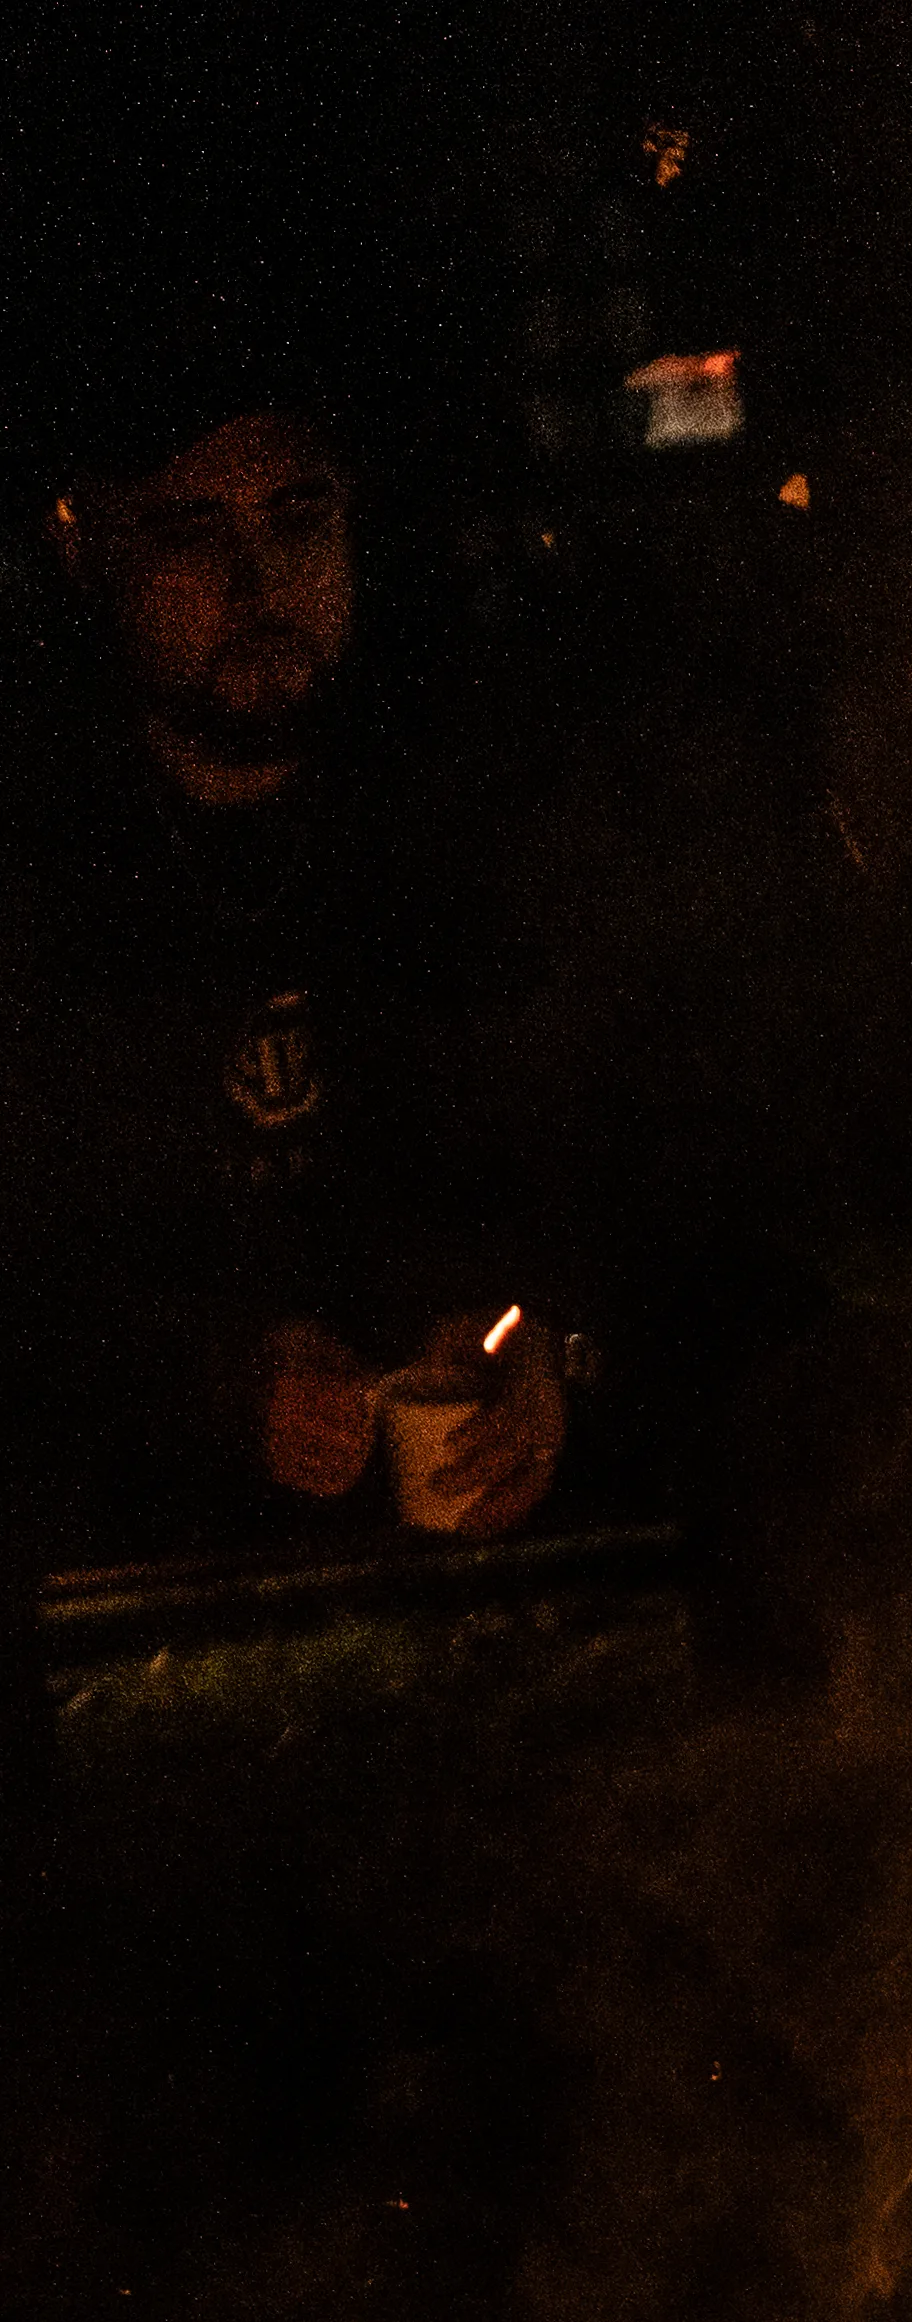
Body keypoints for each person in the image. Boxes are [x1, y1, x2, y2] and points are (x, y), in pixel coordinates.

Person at [3, 337, 567, 1562]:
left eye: (297, 516)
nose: (257, 580)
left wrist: (528, 1339)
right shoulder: (44, 862)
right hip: (116, 1579)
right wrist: (215, 1385)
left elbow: (561, 1162)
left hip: (442, 1570)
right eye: (192, 532)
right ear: (86, 548)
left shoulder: (449, 823)